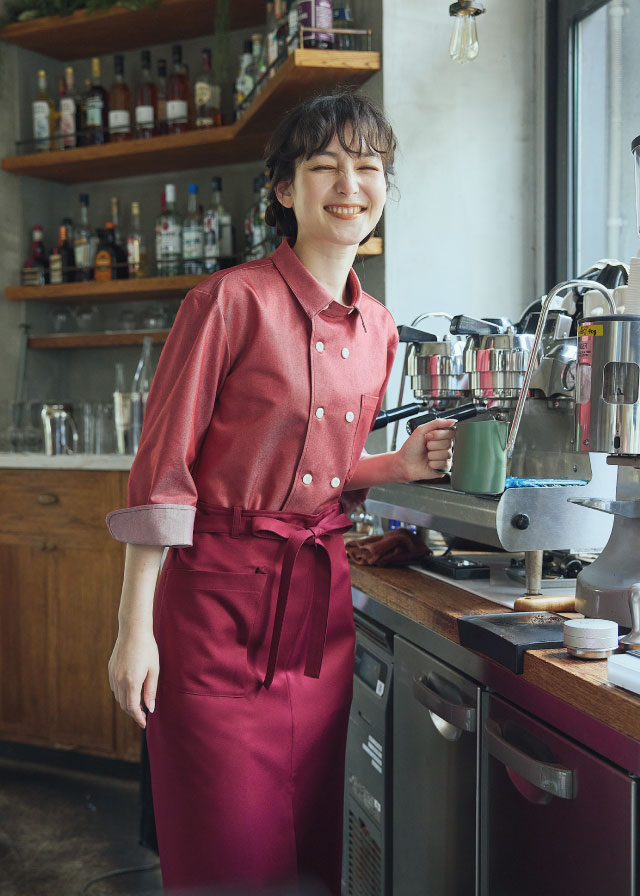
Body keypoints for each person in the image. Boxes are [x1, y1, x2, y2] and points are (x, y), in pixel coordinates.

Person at [106, 91, 455, 895]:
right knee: (226, 857)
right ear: (283, 188)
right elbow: (165, 478)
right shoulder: (228, 302)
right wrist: (135, 633)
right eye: (324, 164)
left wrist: (391, 467)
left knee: (311, 854)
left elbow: (310, 477)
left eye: (368, 166)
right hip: (213, 617)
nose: (349, 183)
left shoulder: (382, 329)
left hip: (316, 619)